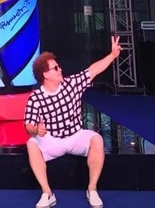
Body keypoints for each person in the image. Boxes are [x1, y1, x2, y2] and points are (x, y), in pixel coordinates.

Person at [24, 36, 122, 208]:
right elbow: (29, 126)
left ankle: (92, 189)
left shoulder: (71, 84)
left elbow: (93, 70)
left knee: (96, 139)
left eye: (58, 66)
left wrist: (113, 55)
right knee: (31, 144)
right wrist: (36, 130)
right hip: (52, 140)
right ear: (45, 75)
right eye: (55, 68)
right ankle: (47, 193)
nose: (60, 70)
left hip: (75, 135)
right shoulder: (36, 97)